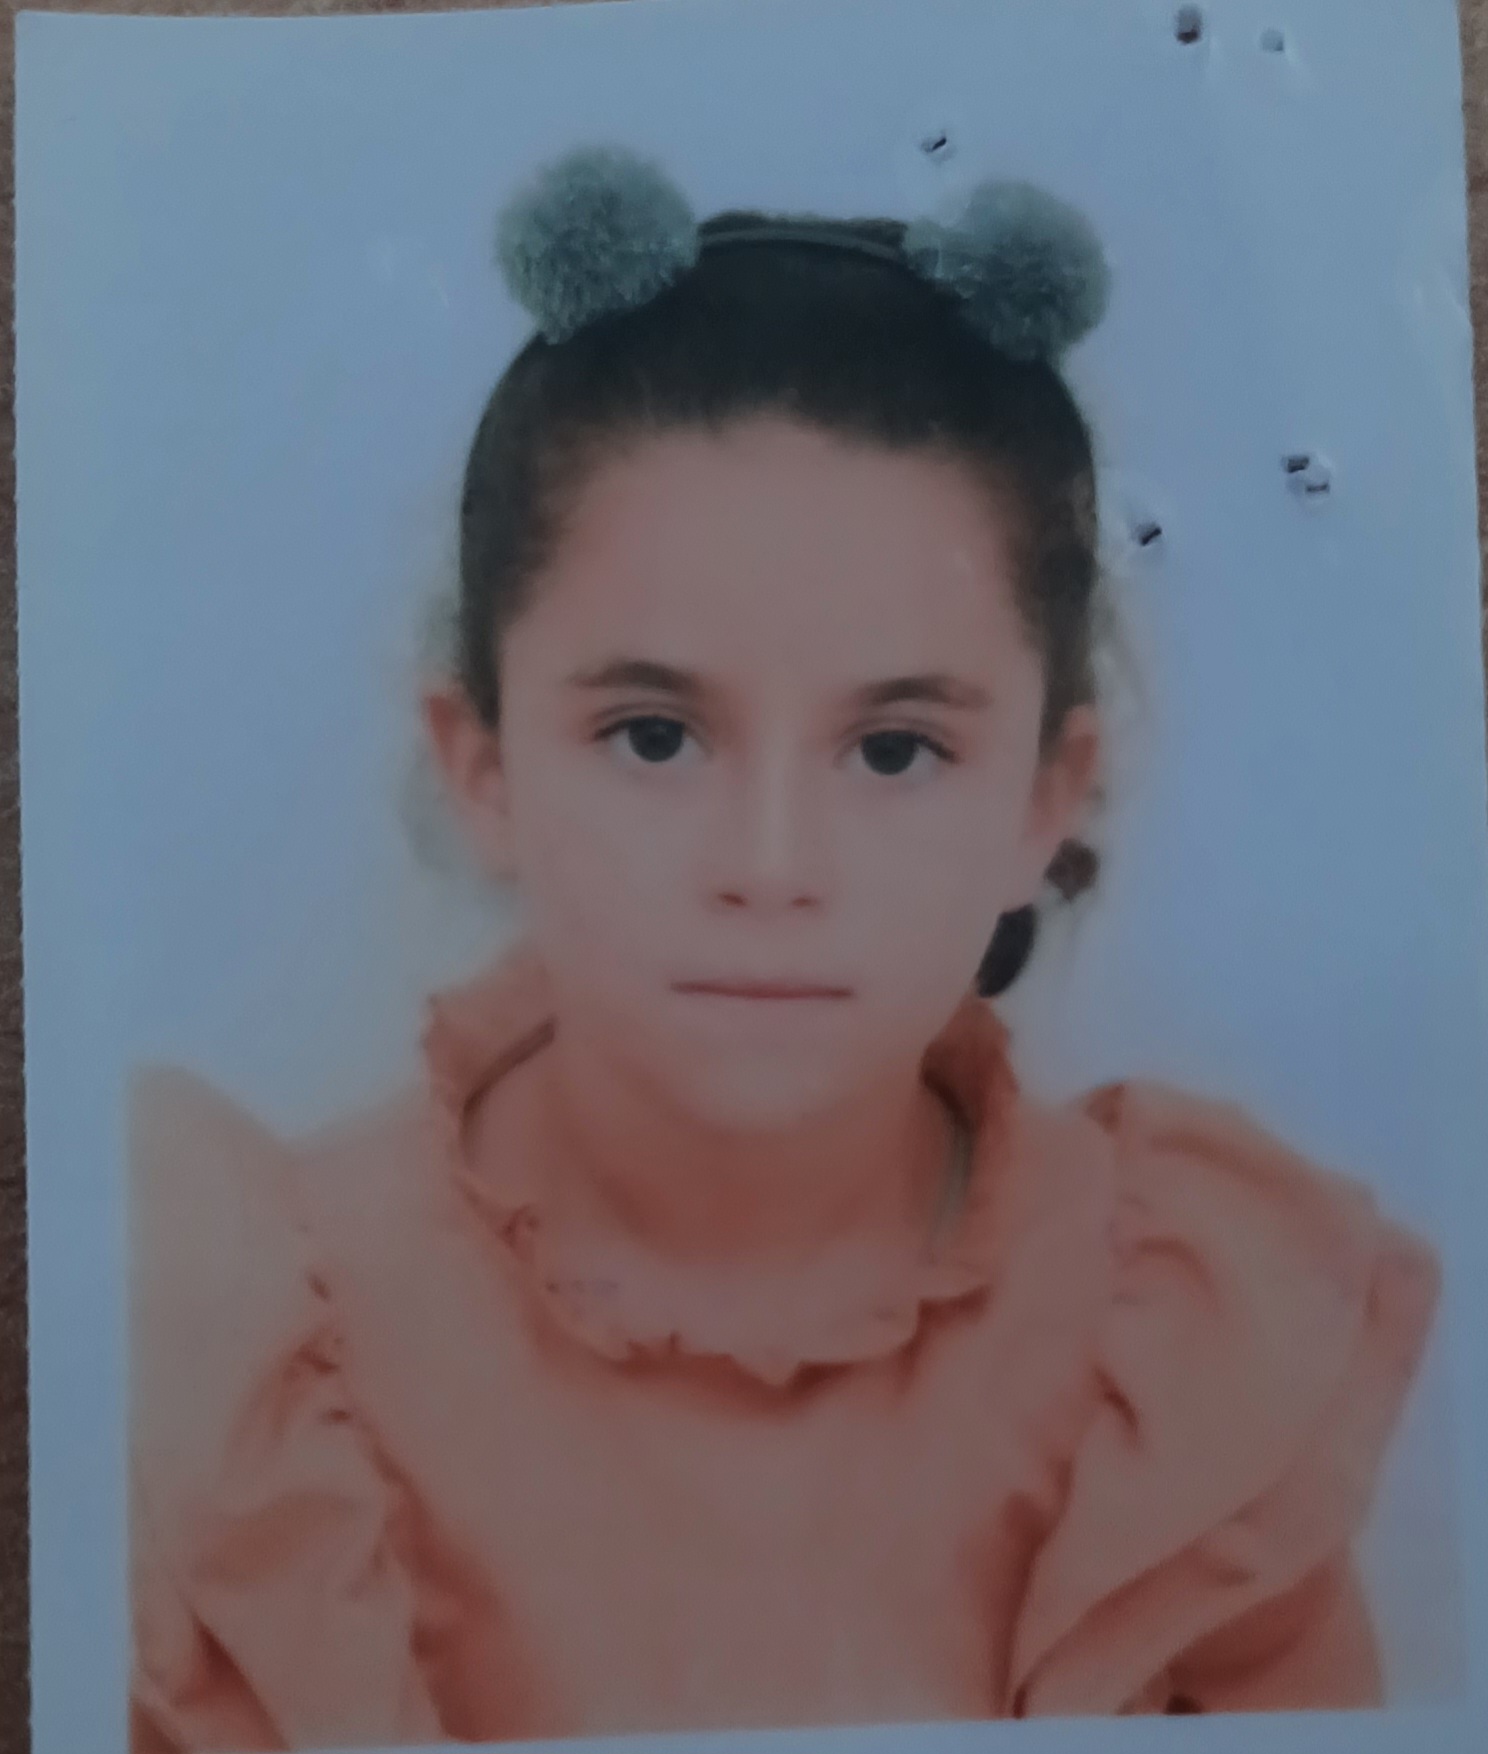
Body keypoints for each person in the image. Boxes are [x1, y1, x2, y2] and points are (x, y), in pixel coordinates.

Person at [128, 147, 1441, 1751]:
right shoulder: (251, 1352)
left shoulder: (1193, 1352)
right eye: (655, 734)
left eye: (893, 750)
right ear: (482, 765)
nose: (770, 867)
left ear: (1047, 798)